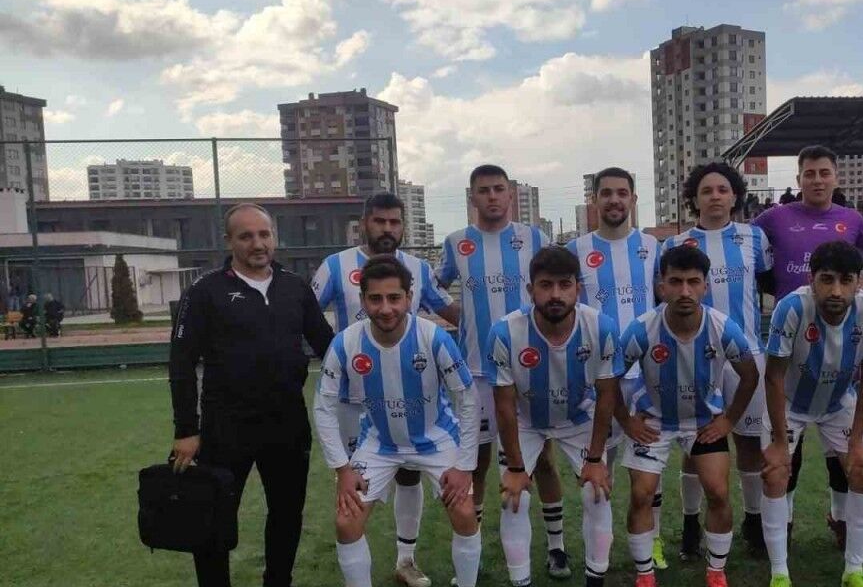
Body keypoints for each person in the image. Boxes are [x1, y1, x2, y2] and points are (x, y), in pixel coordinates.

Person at [169, 203, 335, 587]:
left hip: (287, 423)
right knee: (214, 516)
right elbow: (181, 365)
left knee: (287, 513)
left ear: (274, 237)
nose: (258, 244)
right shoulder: (204, 291)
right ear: (229, 241)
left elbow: (328, 347)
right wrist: (186, 430)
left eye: (264, 234)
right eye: (246, 236)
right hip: (226, 427)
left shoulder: (295, 287)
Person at [310, 192, 461, 587]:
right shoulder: (335, 266)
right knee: (352, 486)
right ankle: (355, 562)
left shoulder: (418, 270)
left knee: (409, 475)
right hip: (352, 401)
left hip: (406, 397)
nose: (387, 229)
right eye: (380, 221)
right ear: (364, 223)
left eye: (395, 222)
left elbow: (450, 311)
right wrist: (330, 354)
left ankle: (405, 560)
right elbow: (305, 315)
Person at [437, 165, 570, 578]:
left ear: (510, 195)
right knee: (475, 463)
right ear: (472, 197)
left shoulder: (534, 238)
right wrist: (459, 316)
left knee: (541, 459)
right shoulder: (456, 243)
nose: (492, 196)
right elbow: (432, 287)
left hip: (528, 368)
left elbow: (555, 287)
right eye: (484, 190)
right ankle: (473, 549)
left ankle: (556, 546)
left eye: (498, 189)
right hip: (475, 372)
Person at [752, 144, 863, 548]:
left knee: (838, 451)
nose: (817, 180)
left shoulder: (851, 219)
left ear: (835, 177)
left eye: (824, 172)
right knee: (787, 452)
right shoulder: (774, 217)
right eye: (809, 173)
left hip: (838, 343)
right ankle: (785, 523)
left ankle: (840, 520)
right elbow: (748, 247)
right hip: (791, 340)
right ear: (799, 179)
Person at [617, 244, 760, 587]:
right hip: (654, 422)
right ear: (661, 287)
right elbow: (608, 378)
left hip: (702, 423)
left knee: (719, 492)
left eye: (693, 282)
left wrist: (728, 419)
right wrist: (627, 420)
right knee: (641, 494)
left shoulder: (722, 328)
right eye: (676, 282)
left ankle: (716, 572)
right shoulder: (641, 329)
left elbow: (750, 375)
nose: (684, 291)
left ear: (705, 286)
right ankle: (645, 576)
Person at [489, 246, 621, 587]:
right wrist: (515, 468)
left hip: (578, 416)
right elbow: (504, 405)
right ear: (530, 289)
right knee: (513, 499)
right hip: (525, 418)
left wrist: (596, 459)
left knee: (596, 491)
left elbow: (607, 395)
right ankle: (522, 581)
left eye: (565, 284)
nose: (556, 294)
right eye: (546, 285)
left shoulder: (602, 327)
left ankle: (595, 580)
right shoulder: (505, 332)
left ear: (578, 287)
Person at [760, 241, 863, 587]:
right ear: (811, 279)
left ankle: (854, 570)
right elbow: (774, 376)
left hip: (838, 402)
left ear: (859, 281)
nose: (836, 291)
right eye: (827, 279)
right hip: (790, 402)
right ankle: (779, 574)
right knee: (775, 474)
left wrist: (858, 441)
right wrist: (778, 443)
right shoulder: (791, 308)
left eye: (846, 281)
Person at [665, 162, 772, 558]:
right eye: (706, 190)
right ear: (694, 199)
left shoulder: (754, 237)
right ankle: (691, 522)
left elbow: (767, 283)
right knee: (696, 442)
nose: (715, 196)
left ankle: (754, 521)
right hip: (696, 357)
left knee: (749, 442)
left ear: (734, 196)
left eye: (722, 190)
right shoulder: (677, 244)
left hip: (747, 354)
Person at [566, 167, 669, 569]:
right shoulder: (576, 250)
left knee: (648, 470)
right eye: (606, 193)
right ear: (594, 200)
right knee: (598, 468)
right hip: (596, 378)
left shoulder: (652, 246)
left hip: (646, 377)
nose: (614, 200)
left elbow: (663, 303)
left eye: (622, 193)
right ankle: (600, 552)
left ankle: (653, 542)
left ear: (633, 199)